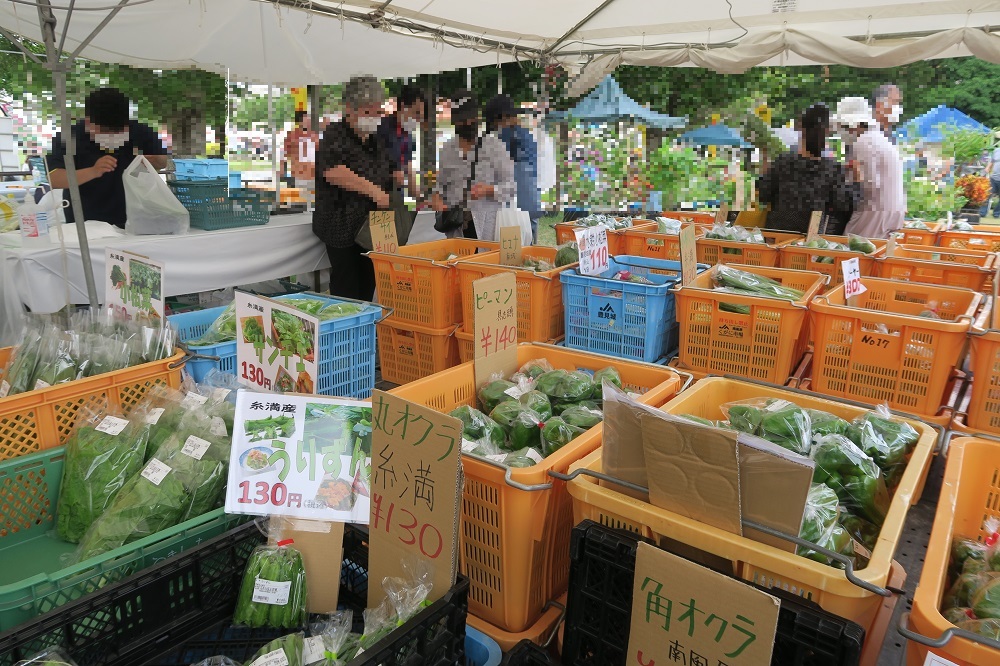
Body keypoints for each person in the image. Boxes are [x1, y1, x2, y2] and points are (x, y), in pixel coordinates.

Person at [313, 76, 398, 301]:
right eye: (368, 112)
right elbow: (333, 172)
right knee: (347, 288)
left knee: (368, 284)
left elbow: (390, 170)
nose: (374, 118)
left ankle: (364, 331)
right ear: (350, 109)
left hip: (370, 229)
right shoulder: (335, 134)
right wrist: (374, 191)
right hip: (341, 225)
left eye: (378, 112)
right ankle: (345, 332)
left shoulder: (376, 140)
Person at [47, 87, 169, 228]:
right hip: (86, 224)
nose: (113, 136)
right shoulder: (68, 138)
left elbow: (162, 163)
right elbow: (55, 179)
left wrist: (156, 160)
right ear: (88, 122)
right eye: (105, 131)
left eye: (119, 131)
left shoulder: (141, 132)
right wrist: (93, 171)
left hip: (136, 219)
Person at [756, 104, 860, 235]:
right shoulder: (832, 169)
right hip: (808, 244)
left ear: (801, 128)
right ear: (827, 132)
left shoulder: (783, 162)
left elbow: (763, 195)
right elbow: (844, 205)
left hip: (775, 237)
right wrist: (856, 180)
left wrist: (765, 169)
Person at [431, 89, 515, 240]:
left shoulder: (494, 146)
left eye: (472, 118)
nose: (469, 123)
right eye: (463, 120)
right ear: (455, 122)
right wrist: (437, 197)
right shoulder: (447, 150)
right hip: (456, 230)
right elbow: (441, 185)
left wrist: (488, 190)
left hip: (488, 228)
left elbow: (512, 188)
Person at [836, 95, 906, 238]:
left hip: (874, 211)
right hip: (891, 210)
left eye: (843, 126)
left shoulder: (863, 142)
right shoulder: (879, 139)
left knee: (852, 253)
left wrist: (851, 178)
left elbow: (870, 184)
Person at [485, 94, 541, 243]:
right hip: (532, 202)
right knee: (530, 250)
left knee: (513, 254)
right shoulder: (527, 135)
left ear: (502, 118)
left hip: (514, 206)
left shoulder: (505, 137)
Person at [377, 84, 425, 199]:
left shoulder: (408, 136)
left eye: (421, 116)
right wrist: (390, 174)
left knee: (402, 216)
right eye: (416, 113)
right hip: (376, 197)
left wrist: (421, 198)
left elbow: (409, 169)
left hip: (396, 197)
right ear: (403, 106)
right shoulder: (380, 129)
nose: (418, 120)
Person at [282, 110, 319, 209]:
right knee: (300, 198)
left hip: (313, 172)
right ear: (300, 121)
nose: (308, 121)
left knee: (313, 198)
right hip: (299, 173)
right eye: (306, 119)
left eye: (309, 119)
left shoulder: (314, 135)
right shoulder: (292, 135)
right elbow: (285, 153)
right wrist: (283, 168)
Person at [983, 137, 1000, 219]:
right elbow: (992, 161)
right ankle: (982, 212)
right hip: (994, 178)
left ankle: (996, 213)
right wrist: (987, 168)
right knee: (987, 195)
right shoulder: (996, 151)